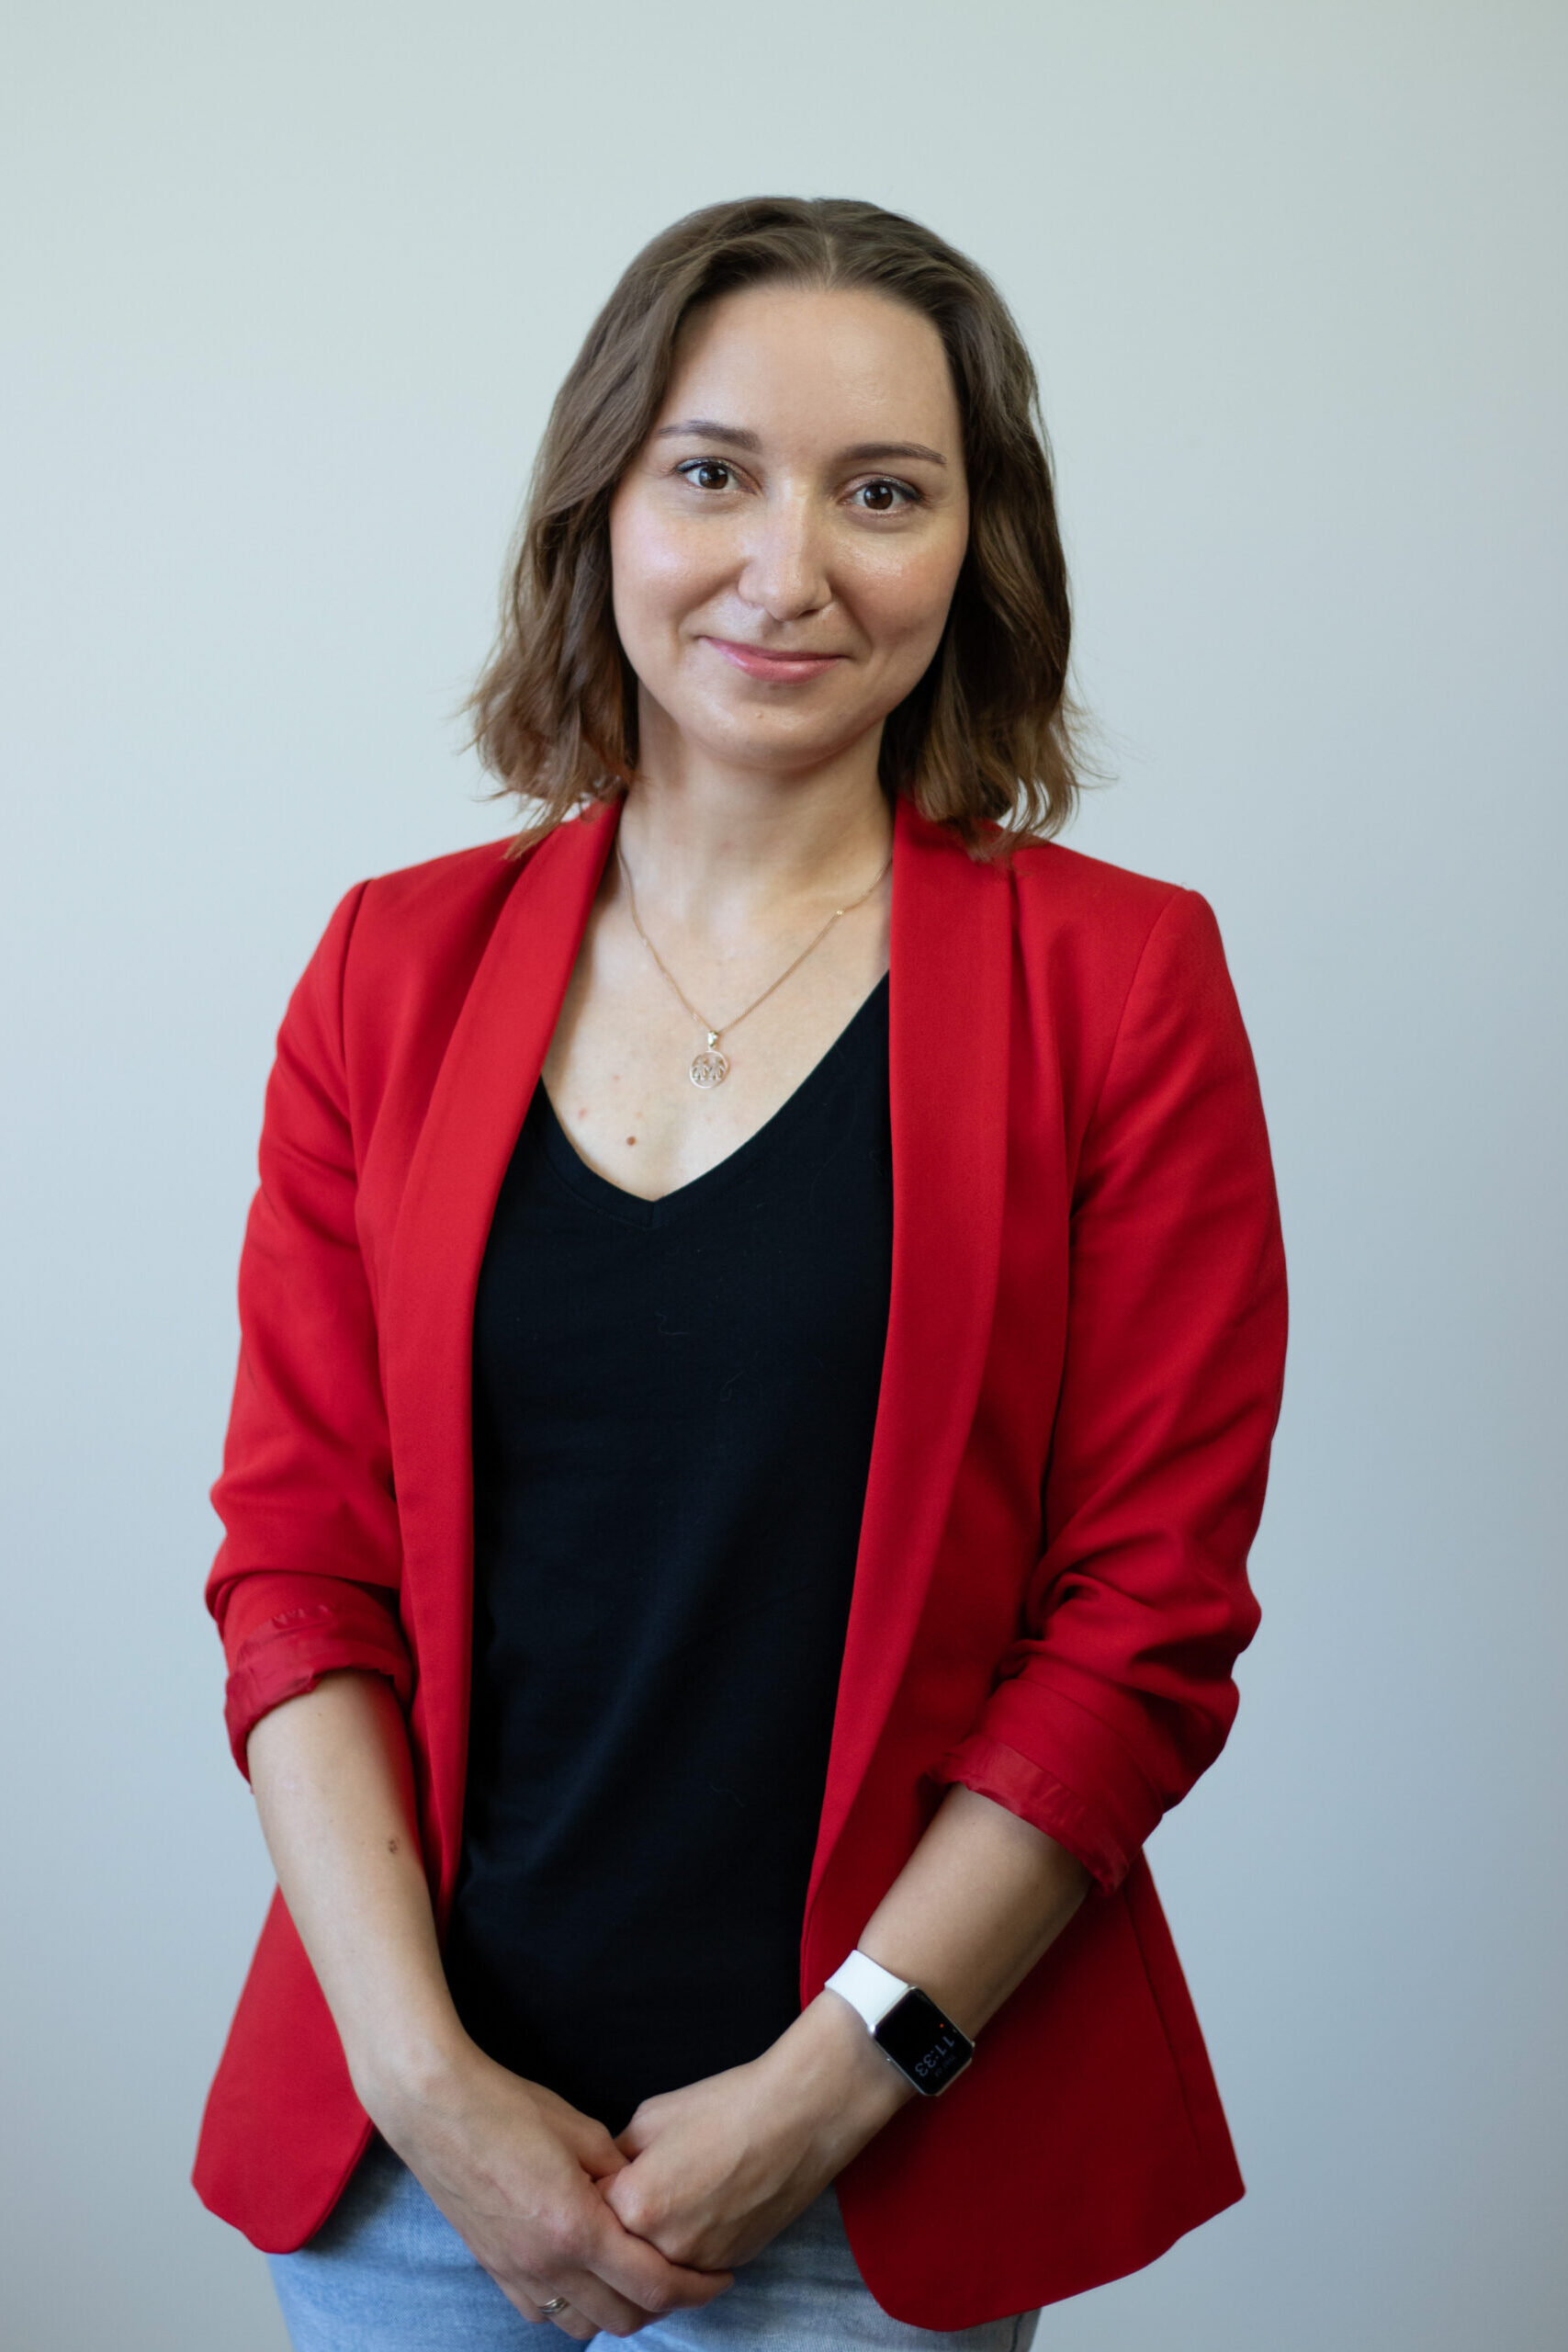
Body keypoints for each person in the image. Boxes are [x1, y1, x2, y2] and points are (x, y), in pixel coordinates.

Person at [194, 196, 1287, 2348]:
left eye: (881, 492)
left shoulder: (1119, 982)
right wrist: (422, 2084)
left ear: (974, 547)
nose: (787, 569)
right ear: (600, 506)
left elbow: (1140, 1619)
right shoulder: (388, 969)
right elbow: (298, 1566)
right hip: (413, 2169)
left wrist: (827, 2084)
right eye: (712, 471)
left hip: (862, 2174)